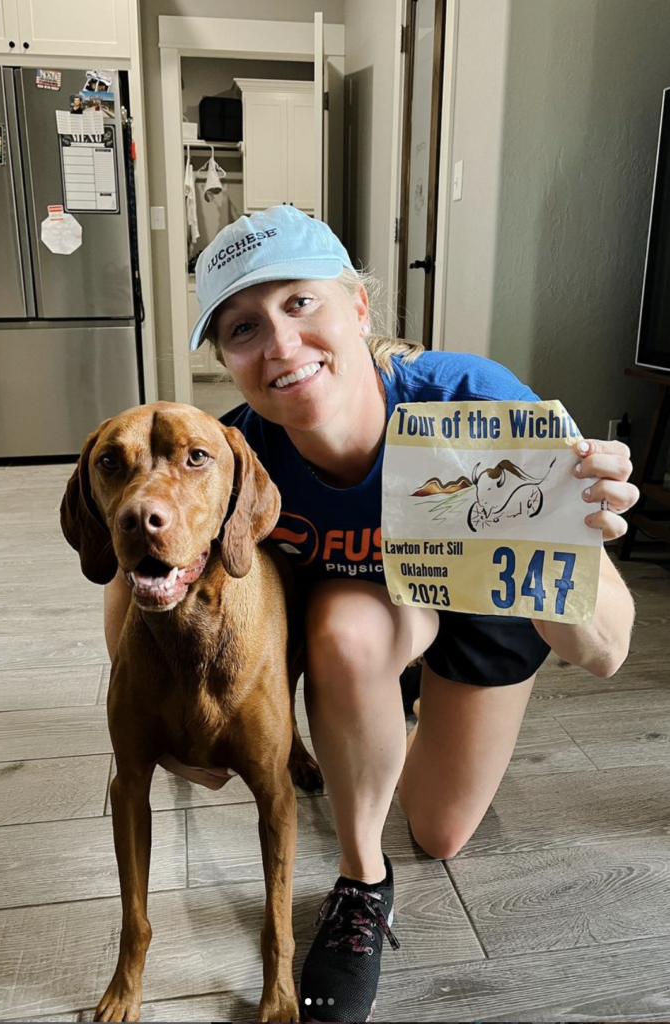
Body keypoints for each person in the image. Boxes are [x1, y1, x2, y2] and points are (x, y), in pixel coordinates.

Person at [104, 206, 637, 1023]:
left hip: (481, 610)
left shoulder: (472, 400)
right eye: (243, 327)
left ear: (357, 306)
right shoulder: (237, 456)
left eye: (300, 303)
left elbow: (603, 654)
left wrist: (576, 523)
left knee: (440, 831)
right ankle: (361, 881)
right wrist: (153, 710)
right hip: (375, 611)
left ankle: (400, 718)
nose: (280, 344)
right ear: (226, 361)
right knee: (344, 633)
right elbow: (134, 573)